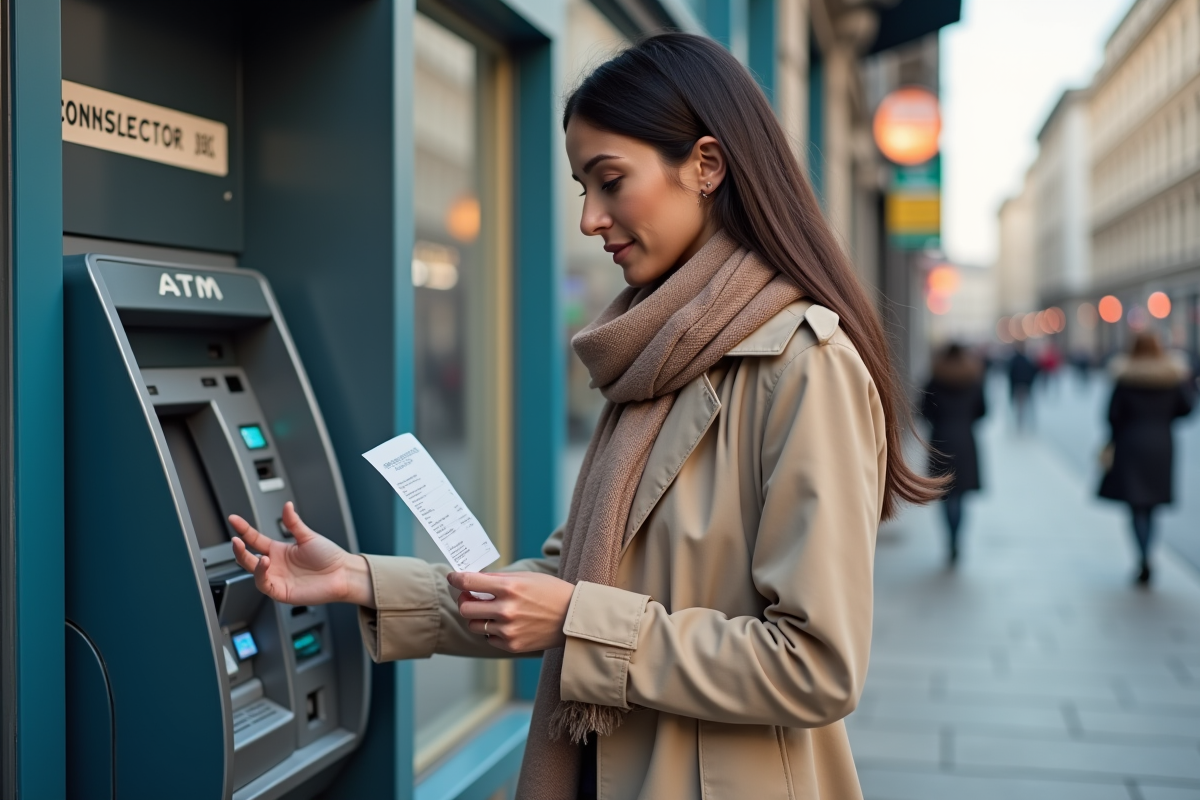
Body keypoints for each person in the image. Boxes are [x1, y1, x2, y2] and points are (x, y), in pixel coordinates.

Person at [227, 34, 943, 800]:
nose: (589, 220)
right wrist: (360, 581)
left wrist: (578, 623)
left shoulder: (804, 365)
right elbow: (557, 590)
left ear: (706, 166)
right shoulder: (657, 356)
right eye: (581, 188)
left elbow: (815, 665)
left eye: (610, 181)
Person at [1098, 331, 1194, 585]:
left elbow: (1112, 415)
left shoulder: (1125, 377)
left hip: (1131, 444)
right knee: (1152, 505)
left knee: (1136, 505)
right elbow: (1186, 409)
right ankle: (1148, 552)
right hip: (1161, 444)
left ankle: (1142, 556)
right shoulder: (1170, 377)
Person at [921, 343, 986, 564]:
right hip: (966, 442)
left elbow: (923, 411)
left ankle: (950, 539)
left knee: (945, 495)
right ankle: (957, 538)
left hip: (940, 441)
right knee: (961, 497)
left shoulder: (935, 380)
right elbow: (983, 411)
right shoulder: (973, 380)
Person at [1008, 341, 1038, 431]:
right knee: (1024, 405)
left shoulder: (1015, 360)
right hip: (1024, 386)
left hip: (1019, 386)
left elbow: (1011, 375)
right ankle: (1023, 423)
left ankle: (1021, 423)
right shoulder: (1027, 360)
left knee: (1020, 406)